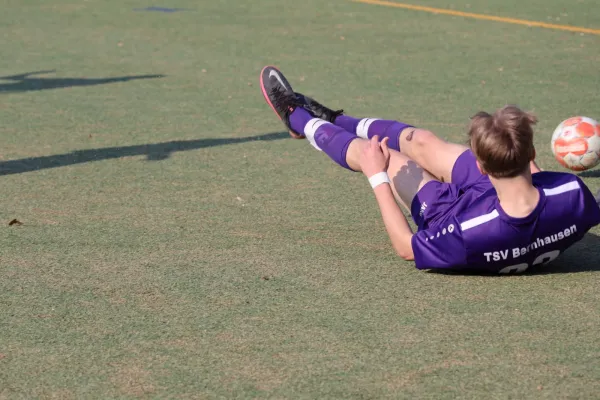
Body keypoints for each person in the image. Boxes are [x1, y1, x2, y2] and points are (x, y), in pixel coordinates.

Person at [259, 66, 600, 273]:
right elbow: (546, 190)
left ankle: (297, 117)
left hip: (448, 212)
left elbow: (408, 247)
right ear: (531, 154)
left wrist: (376, 176)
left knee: (377, 154)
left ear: (480, 165)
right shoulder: (573, 196)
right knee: (421, 140)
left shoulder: (467, 233)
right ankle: (334, 118)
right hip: (499, 195)